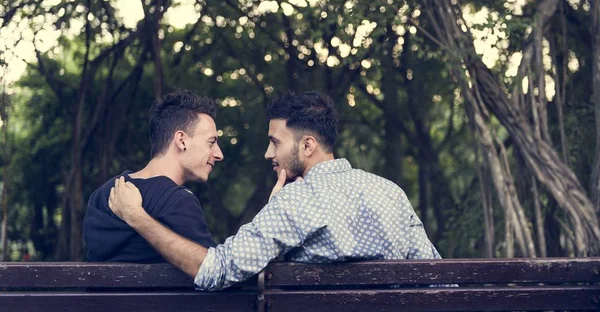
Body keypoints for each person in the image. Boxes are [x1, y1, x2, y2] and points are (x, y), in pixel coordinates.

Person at [108, 91, 441, 289]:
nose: (269, 154)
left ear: (307, 145)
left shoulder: (297, 201)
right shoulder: (390, 192)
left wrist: (138, 217)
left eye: (275, 143)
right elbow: (439, 277)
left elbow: (215, 270)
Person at [83, 90, 222, 262]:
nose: (218, 154)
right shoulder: (177, 201)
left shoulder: (104, 194)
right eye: (211, 142)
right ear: (182, 140)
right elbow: (214, 271)